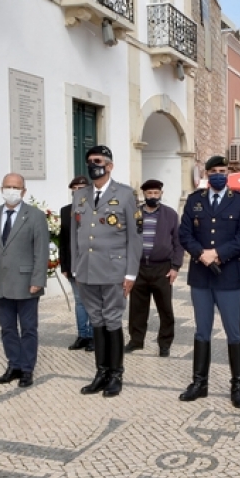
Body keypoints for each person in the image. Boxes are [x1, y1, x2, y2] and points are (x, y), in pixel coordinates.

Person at [178, 155, 240, 408]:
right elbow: (184, 234)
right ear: (207, 174)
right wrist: (201, 253)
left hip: (229, 277)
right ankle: (199, 383)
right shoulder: (194, 200)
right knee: (202, 330)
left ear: (228, 173)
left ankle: (238, 385)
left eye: (223, 170)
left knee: (234, 332)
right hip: (201, 276)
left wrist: (217, 254)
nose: (219, 174)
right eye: (214, 171)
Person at [72, 146, 143, 398]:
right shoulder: (80, 195)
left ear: (110, 165)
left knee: (112, 320)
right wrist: (75, 268)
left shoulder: (124, 194)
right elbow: (75, 235)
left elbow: (134, 238)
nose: (93, 165)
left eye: (98, 161)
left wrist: (131, 274)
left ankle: (116, 374)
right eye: (90, 161)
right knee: (96, 320)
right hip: (87, 270)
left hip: (114, 269)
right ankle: (101, 372)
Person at [0, 173, 49, 388]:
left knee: (28, 328)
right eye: (8, 186)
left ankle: (27, 369)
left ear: (24, 191)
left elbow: (41, 251)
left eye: (16, 187)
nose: (11, 190)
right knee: (7, 328)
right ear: (1, 189)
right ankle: (14, 365)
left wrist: (38, 279)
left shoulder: (35, 216)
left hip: (27, 282)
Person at [126, 179, 184, 357]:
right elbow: (125, 239)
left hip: (162, 268)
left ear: (161, 194)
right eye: (149, 193)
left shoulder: (170, 215)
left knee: (165, 308)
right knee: (137, 307)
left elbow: (178, 242)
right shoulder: (134, 213)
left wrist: (175, 266)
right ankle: (136, 341)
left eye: (156, 193)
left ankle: (165, 343)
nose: (153, 196)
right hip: (139, 267)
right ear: (144, 194)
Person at [59, 175, 94, 351]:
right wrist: (64, 265)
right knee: (80, 301)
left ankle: (95, 336)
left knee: (93, 301)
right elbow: (63, 240)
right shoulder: (66, 211)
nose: (77, 192)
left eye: (81, 188)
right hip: (74, 264)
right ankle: (83, 335)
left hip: (94, 264)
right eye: (74, 189)